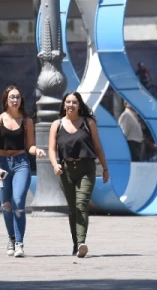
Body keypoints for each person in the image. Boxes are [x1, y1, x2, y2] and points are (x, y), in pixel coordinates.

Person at [48, 91, 109, 259]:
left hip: (86, 167)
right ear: (63, 105)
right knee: (73, 208)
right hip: (65, 170)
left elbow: (97, 147)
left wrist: (104, 168)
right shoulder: (57, 124)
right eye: (68, 102)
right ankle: (76, 244)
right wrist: (55, 164)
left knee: (82, 203)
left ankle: (82, 242)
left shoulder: (89, 123)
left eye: (74, 102)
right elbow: (52, 149)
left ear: (79, 105)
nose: (71, 105)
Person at [0, 85, 45, 258]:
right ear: (6, 100)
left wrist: (37, 150)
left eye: (18, 97)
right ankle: (11, 239)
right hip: (3, 165)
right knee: (6, 206)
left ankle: (20, 243)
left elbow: (30, 146)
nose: (15, 100)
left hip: (21, 163)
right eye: (12, 97)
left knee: (18, 201)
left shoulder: (26, 121)